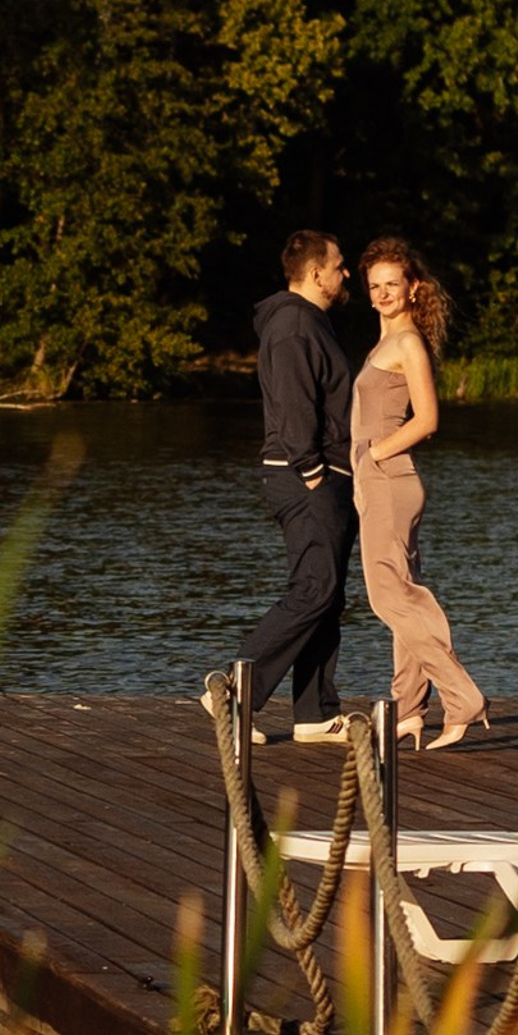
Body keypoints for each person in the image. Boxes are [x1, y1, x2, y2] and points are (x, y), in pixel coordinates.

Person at [353, 237, 488, 750]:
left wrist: (375, 453)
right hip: (379, 480)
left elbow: (428, 420)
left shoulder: (408, 342)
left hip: (388, 478)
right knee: (401, 593)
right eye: (376, 286)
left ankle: (463, 697)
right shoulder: (385, 342)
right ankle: (409, 708)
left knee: (390, 596)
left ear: (413, 288)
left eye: (393, 284)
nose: (384, 293)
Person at [225, 231, 357, 744]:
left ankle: (315, 713)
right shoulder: (293, 324)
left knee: (328, 593)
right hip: (305, 476)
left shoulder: (310, 323)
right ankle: (235, 693)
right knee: (314, 588)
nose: (345, 274)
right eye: (340, 265)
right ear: (316, 272)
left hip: (326, 475)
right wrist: (312, 470)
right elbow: (295, 403)